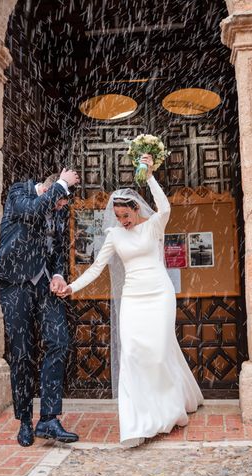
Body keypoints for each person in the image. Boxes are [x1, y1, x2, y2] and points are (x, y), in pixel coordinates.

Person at [57, 154, 203, 447]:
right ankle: (138, 422)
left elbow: (165, 207)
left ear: (137, 210)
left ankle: (170, 408)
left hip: (159, 294)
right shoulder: (113, 235)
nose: (123, 221)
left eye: (127, 216)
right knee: (133, 354)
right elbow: (97, 267)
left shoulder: (153, 226)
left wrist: (149, 175)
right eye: (119, 216)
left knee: (160, 352)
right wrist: (73, 287)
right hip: (133, 299)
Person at [0, 168, 80, 447]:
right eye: (60, 201)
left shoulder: (57, 206)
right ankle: (26, 420)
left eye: (63, 203)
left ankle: (49, 419)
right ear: (49, 189)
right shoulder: (20, 192)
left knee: (59, 341)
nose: (60, 208)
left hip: (43, 284)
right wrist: (62, 185)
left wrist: (58, 274)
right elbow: (33, 212)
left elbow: (59, 249)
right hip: (14, 283)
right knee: (22, 353)